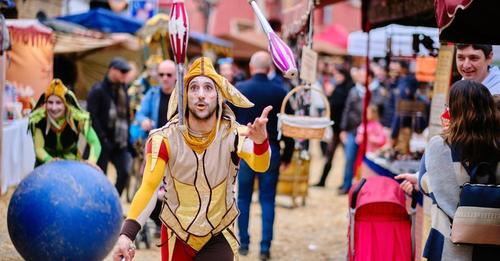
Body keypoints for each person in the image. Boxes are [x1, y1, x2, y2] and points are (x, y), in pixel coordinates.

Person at [112, 57, 272, 261]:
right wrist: (127, 235)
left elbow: (261, 164)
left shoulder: (234, 134)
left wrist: (261, 143)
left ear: (219, 95)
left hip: (219, 231)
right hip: (177, 234)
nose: (201, 95)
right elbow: (149, 188)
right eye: (194, 87)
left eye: (208, 88)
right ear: (184, 95)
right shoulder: (163, 138)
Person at [396, 80, 500, 260]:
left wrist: (422, 179)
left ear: (454, 109)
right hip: (492, 242)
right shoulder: (496, 145)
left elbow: (436, 190)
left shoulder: (441, 145)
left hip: (450, 244)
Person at [233, 51, 293, 261]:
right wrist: (288, 155)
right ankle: (265, 247)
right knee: (268, 199)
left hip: (244, 148)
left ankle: (243, 243)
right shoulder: (280, 91)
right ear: (269, 69)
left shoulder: (240, 90)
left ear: (251, 68)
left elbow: (230, 123)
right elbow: (288, 127)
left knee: (243, 197)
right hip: (272, 149)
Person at [29, 79, 101, 166]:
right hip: (46, 165)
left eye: (58, 103)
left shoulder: (77, 119)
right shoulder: (39, 120)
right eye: (50, 102)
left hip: (71, 164)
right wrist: (49, 160)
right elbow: (38, 149)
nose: (53, 108)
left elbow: (95, 143)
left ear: (66, 104)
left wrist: (91, 161)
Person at [87, 57, 131, 196]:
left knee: (125, 172)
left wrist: (127, 139)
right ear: (112, 70)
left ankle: (114, 202)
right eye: (122, 71)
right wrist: (103, 139)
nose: (125, 74)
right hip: (101, 142)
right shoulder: (98, 90)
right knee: (99, 177)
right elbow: (91, 117)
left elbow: (126, 116)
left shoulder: (123, 89)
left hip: (119, 142)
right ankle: (99, 205)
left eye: (126, 71)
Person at [314, 66, 353, 187]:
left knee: (348, 157)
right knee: (330, 155)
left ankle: (345, 183)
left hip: (343, 129)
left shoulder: (347, 89)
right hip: (335, 127)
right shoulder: (339, 88)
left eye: (338, 75)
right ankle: (322, 181)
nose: (335, 77)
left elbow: (339, 106)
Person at [130, 60, 177, 143]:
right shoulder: (152, 94)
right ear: (158, 76)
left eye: (169, 75)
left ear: (176, 76)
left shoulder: (181, 96)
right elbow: (140, 114)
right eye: (161, 74)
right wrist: (144, 120)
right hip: (158, 142)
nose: (165, 78)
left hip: (177, 141)